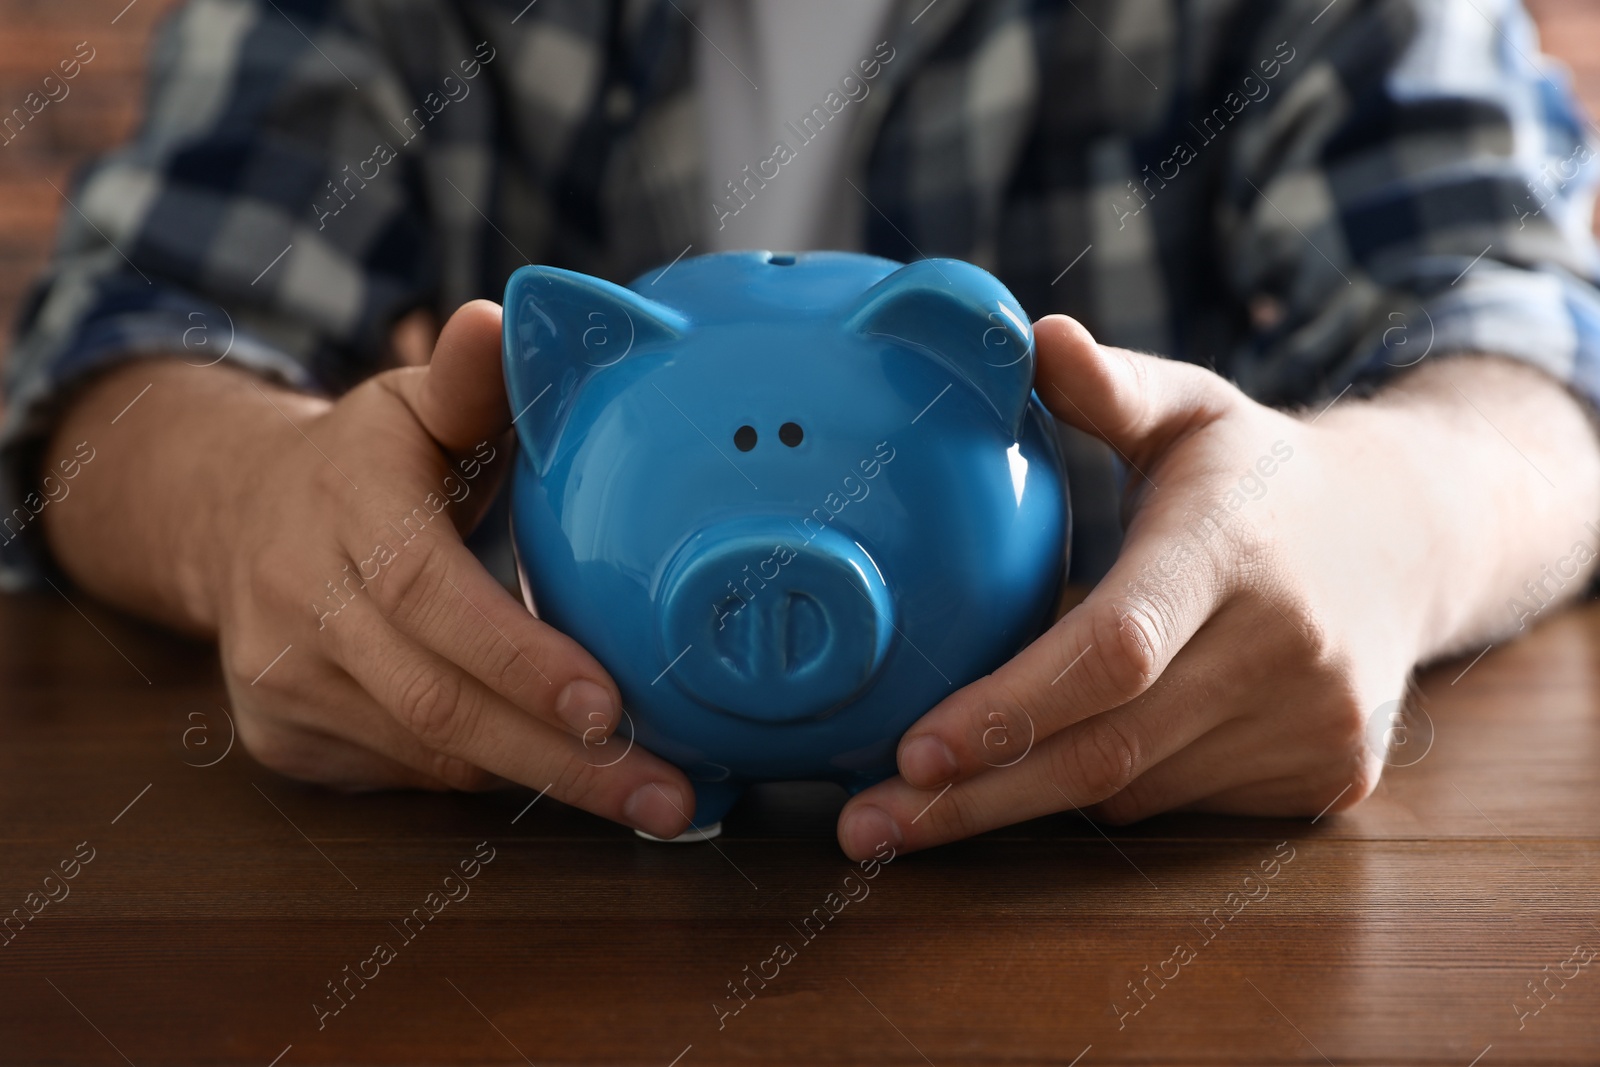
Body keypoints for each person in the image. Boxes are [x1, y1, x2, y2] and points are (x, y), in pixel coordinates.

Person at [4, 0, 1599, 860]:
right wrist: (253, 507)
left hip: (1092, 852)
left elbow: (1526, 328)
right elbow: (125, 343)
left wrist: (1381, 528)